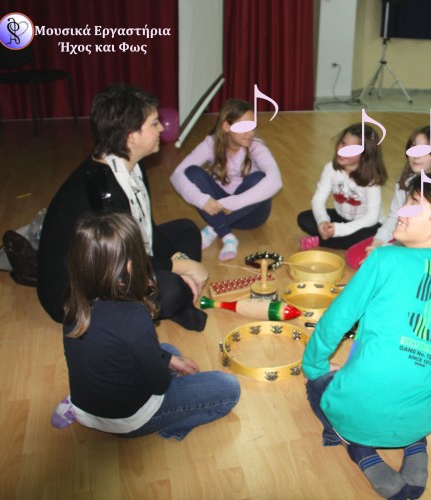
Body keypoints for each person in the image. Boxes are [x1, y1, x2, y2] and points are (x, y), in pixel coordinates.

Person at [303, 174, 431, 499]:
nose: (401, 210)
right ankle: (415, 443)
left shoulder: (383, 258)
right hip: (421, 416)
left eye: (414, 206)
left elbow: (337, 319)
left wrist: (314, 366)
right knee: (407, 393)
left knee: (316, 385)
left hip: (358, 407)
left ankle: (361, 451)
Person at [37, 83, 209, 332]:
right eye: (154, 123)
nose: (162, 128)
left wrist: (177, 259)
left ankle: (171, 295)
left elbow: (146, 228)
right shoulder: (102, 193)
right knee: (172, 290)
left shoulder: (130, 164)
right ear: (130, 136)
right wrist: (187, 266)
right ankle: (172, 297)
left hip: (116, 259)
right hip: (78, 292)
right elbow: (122, 262)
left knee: (187, 230)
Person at [53, 211, 240, 440]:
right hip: (130, 420)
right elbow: (160, 385)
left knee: (168, 351)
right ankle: (170, 425)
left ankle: (74, 408)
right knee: (229, 388)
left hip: (85, 406)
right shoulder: (132, 315)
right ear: (129, 265)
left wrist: (167, 359)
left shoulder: (73, 301)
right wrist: (164, 367)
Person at [170, 98, 283, 261]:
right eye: (244, 127)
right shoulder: (211, 143)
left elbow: (275, 180)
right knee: (192, 173)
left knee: (258, 179)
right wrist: (202, 201)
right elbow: (177, 174)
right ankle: (227, 235)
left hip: (251, 214)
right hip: (217, 209)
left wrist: (234, 203)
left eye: (252, 126)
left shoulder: (256, 145)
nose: (250, 133)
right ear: (226, 126)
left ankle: (214, 229)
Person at [344, 124, 431, 269]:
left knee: (378, 263)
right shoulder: (405, 180)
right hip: (402, 236)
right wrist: (377, 243)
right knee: (354, 256)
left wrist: (384, 250)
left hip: (420, 247)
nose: (416, 155)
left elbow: (419, 238)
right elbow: (394, 217)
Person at [297, 122, 388, 250]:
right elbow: (318, 200)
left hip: (366, 223)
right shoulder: (330, 168)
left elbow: (372, 217)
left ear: (364, 156)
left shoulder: (372, 179)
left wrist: (340, 229)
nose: (342, 150)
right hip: (340, 217)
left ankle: (321, 241)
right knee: (304, 219)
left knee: (372, 235)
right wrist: (323, 221)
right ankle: (340, 240)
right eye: (343, 143)